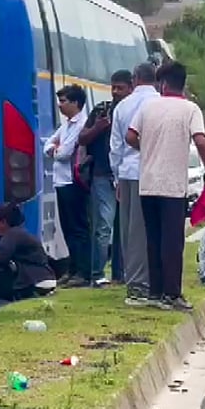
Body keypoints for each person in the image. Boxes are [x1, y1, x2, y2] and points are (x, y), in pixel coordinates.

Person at [126, 62, 205, 311]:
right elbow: (200, 140)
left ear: (163, 84)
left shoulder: (147, 106)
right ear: (182, 83)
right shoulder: (190, 109)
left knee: (153, 239)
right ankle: (172, 293)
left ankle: (155, 292)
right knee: (173, 241)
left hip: (147, 183)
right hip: (172, 186)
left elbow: (130, 136)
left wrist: (146, 150)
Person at [111, 63, 161, 306]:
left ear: (135, 79)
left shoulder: (123, 106)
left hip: (129, 172)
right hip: (156, 172)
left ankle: (135, 282)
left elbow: (116, 147)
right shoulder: (161, 103)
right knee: (152, 229)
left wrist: (116, 177)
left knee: (131, 232)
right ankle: (150, 280)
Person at [78, 70, 133, 286]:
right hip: (103, 174)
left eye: (120, 88)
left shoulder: (135, 111)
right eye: (114, 88)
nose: (116, 92)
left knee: (124, 227)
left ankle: (120, 273)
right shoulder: (102, 110)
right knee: (103, 227)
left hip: (126, 175)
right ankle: (97, 274)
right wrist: (98, 128)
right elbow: (82, 138)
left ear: (131, 87)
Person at [43, 84, 90, 287]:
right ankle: (72, 269)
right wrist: (55, 149)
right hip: (61, 181)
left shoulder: (80, 125)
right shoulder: (66, 125)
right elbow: (47, 145)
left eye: (63, 101)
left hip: (73, 181)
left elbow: (64, 153)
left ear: (75, 103)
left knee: (77, 227)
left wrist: (55, 150)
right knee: (67, 228)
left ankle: (82, 271)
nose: (60, 105)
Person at [0, 203, 56, 312]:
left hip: (35, 283)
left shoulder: (12, 234)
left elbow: (0, 259)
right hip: (43, 279)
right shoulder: (19, 233)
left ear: (3, 222)